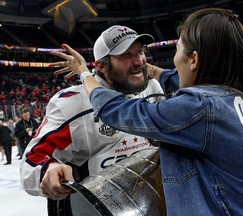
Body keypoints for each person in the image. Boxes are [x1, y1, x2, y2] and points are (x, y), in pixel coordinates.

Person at [52, 8, 243, 215]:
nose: (140, 60)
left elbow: (117, 110)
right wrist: (144, 67)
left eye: (177, 48)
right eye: (128, 54)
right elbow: (173, 78)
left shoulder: (200, 106)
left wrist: (84, 73)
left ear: (193, 59)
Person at [20, 25, 164, 204]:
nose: (139, 60)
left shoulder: (153, 88)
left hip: (152, 201)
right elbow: (31, 162)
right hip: (101, 207)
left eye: (141, 51)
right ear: (102, 66)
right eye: (127, 54)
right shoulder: (72, 104)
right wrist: (48, 170)